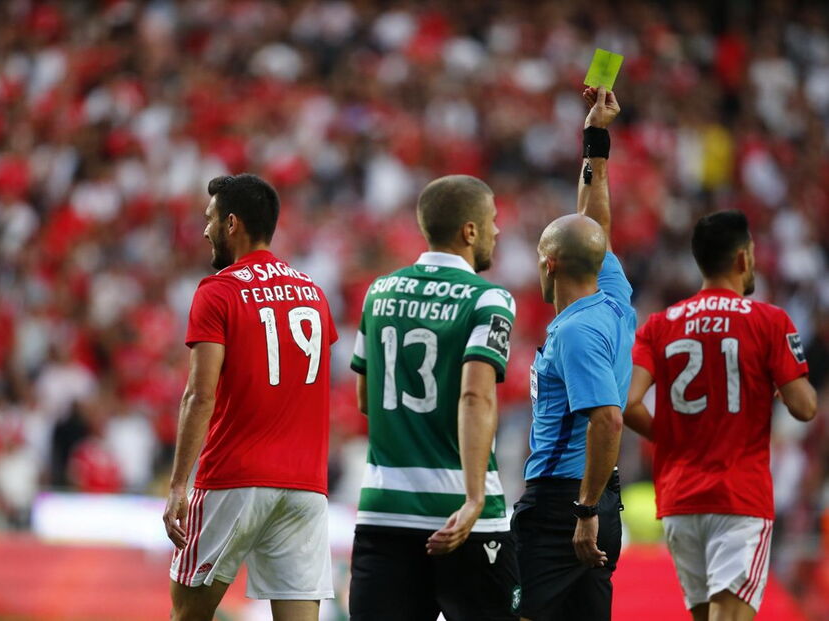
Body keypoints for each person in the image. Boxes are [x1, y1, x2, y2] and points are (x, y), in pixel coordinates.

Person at [624, 210, 817, 621]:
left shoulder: (659, 325)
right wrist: (785, 386)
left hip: (679, 500)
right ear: (743, 258)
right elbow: (804, 407)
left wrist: (672, 437)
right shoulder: (769, 321)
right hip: (738, 498)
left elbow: (628, 403)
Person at [162, 174, 337, 621]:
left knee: (187, 614)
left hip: (234, 478)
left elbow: (199, 396)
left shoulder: (219, 290)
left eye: (210, 219)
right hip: (306, 485)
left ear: (232, 223)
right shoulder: (314, 293)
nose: (205, 230)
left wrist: (179, 484)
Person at [348, 175, 521, 620]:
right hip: (461, 514)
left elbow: (366, 400)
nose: (497, 230)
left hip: (385, 511)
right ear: (470, 231)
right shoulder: (489, 299)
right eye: (492, 220)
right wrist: (474, 498)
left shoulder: (378, 292)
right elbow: (475, 397)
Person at [512, 86, 635, 621]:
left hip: (564, 504)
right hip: (598, 497)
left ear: (550, 264)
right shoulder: (614, 297)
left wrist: (583, 512)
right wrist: (595, 141)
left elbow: (608, 419)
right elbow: (594, 225)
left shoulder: (576, 332)